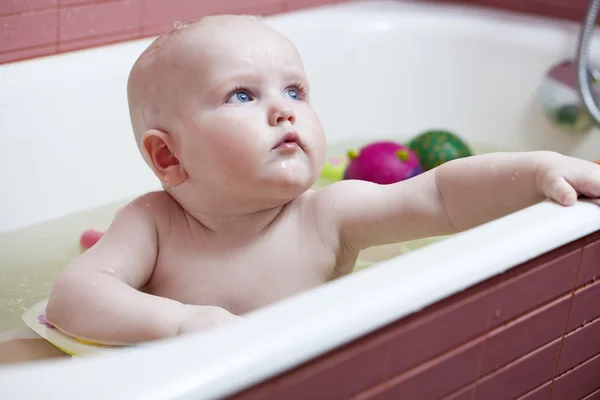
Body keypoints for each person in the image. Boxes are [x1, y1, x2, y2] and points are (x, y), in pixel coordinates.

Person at [45, 14, 600, 346]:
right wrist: (181, 324)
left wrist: (536, 169)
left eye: (295, 91)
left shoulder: (326, 216)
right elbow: (75, 295)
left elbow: (439, 194)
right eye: (243, 94)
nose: (284, 111)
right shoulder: (153, 223)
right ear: (168, 157)